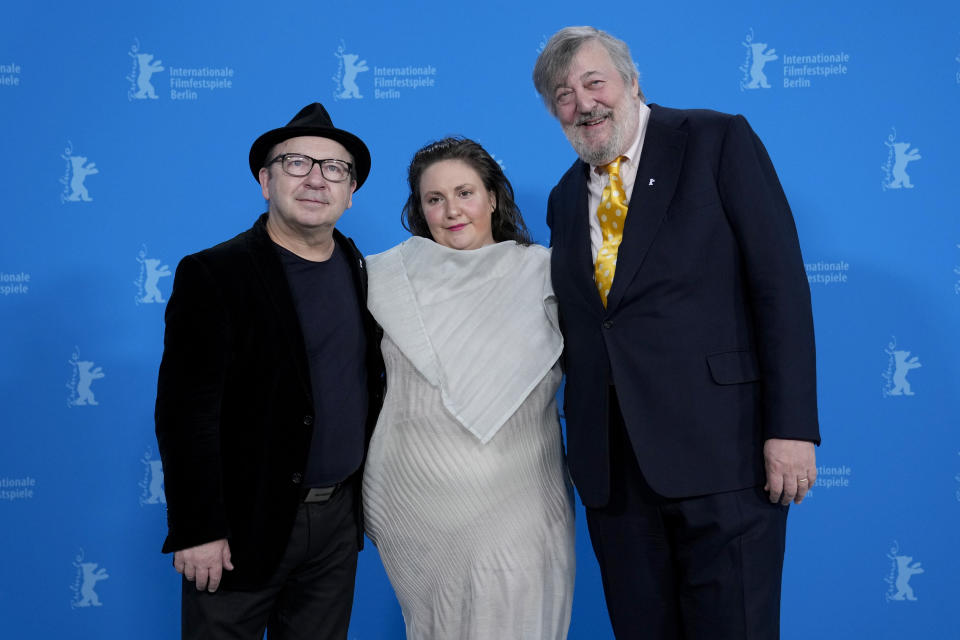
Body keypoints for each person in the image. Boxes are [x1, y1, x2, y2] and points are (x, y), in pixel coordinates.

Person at [533, 27, 820, 639]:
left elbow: (781, 289)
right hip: (615, 477)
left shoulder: (715, 140)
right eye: (562, 94)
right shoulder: (562, 198)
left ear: (633, 83)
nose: (582, 102)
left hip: (726, 457)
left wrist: (791, 428)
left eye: (593, 82)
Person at [154, 102, 384, 639]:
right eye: (296, 162)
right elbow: (185, 414)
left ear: (350, 193)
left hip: (335, 525)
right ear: (265, 179)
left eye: (334, 168)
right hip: (240, 525)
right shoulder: (215, 273)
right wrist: (198, 528)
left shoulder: (361, 269)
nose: (315, 179)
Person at [361, 137, 576, 639]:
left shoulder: (545, 271)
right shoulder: (383, 277)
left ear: (493, 197)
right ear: (420, 208)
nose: (451, 210)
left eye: (464, 193)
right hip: (416, 504)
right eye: (434, 199)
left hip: (522, 494)